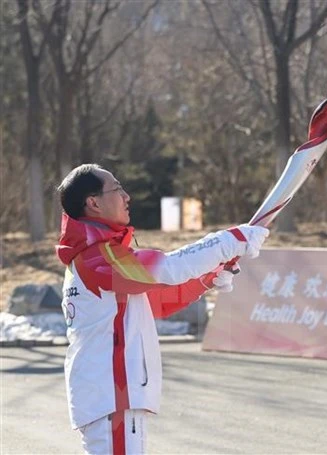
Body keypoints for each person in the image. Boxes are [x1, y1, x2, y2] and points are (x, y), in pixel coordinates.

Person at [56, 164, 269, 454]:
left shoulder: (97, 258)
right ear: (93, 202)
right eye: (117, 189)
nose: (127, 196)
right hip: (113, 398)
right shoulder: (96, 258)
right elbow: (168, 268)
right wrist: (230, 240)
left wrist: (204, 279)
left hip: (112, 400)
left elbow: (154, 301)